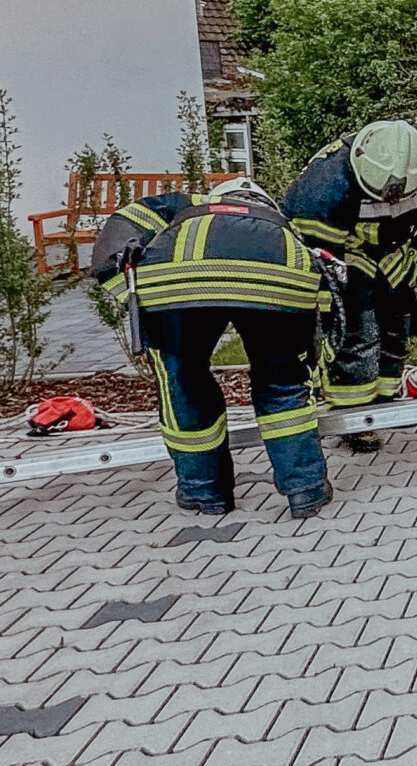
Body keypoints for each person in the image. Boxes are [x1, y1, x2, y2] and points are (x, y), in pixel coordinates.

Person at [89, 175, 334, 518]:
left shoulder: (183, 206)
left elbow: (110, 248)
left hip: (179, 286)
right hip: (276, 283)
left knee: (182, 378)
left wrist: (138, 300)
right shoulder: (282, 225)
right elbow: (322, 289)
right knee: (283, 382)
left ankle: (204, 492)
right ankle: (305, 489)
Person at [284, 120, 417, 451]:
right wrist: (328, 319)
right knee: (356, 329)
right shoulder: (322, 189)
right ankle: (353, 419)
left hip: (397, 248)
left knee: (400, 318)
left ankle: (384, 403)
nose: (391, 200)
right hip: (346, 253)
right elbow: (322, 264)